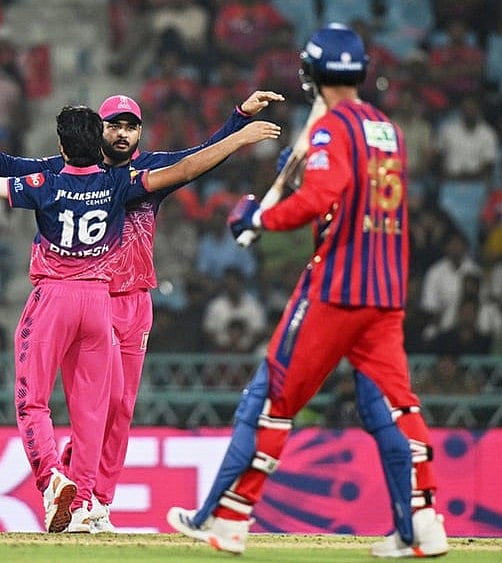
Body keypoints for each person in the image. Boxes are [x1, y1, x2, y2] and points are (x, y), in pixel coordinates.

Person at [0, 106, 280, 533]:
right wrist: (241, 136)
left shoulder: (49, 179)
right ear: (98, 137)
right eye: (113, 125)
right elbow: (191, 165)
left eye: (130, 125)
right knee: (95, 413)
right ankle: (82, 500)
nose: (121, 132)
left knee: (47, 402)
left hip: (67, 297)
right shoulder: (120, 181)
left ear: (64, 144)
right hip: (98, 299)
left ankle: (60, 486)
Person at [167, 24, 449, 558]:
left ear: (311, 74)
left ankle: (229, 519)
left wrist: (260, 215)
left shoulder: (330, 129)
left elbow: (321, 196)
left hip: (337, 287)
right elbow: (353, 197)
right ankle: (424, 520)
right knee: (400, 408)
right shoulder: (386, 128)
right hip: (385, 291)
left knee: (273, 399)